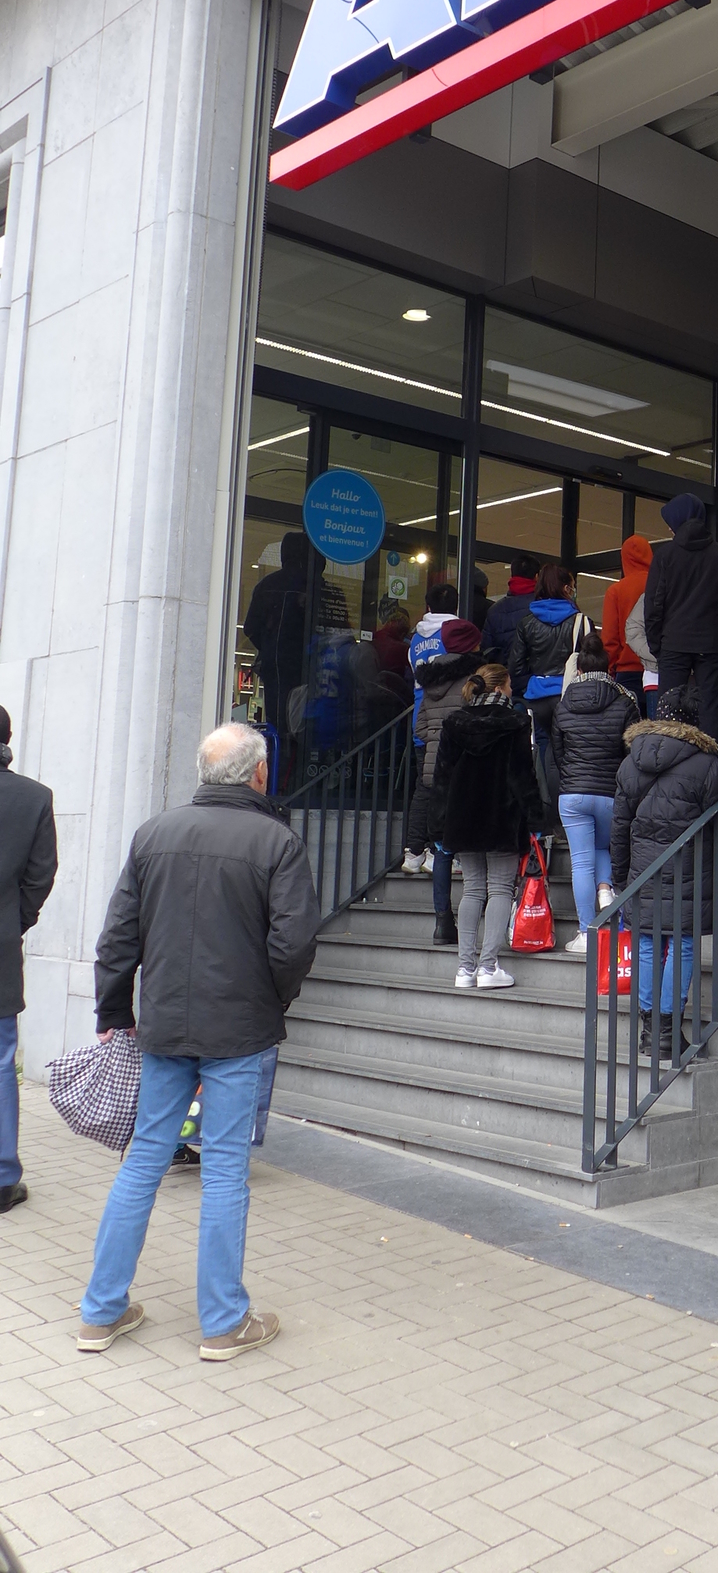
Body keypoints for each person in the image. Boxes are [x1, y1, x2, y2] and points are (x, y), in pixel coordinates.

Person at [80, 724, 320, 1361]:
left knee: (144, 1161)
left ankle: (100, 1312)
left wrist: (113, 1008)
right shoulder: (278, 841)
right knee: (223, 1172)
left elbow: (117, 936)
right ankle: (222, 1321)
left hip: (163, 1023)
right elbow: (293, 945)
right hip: (238, 1030)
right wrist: (273, 1001)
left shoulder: (153, 833)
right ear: (259, 774)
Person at [611, 686, 718, 1059]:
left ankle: (648, 1033)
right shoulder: (706, 764)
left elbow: (619, 826)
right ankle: (667, 1032)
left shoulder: (631, 762)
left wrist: (619, 878)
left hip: (643, 873)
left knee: (647, 943)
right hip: (687, 874)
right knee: (682, 944)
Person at [430, 664, 541, 990]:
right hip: (502, 815)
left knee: (473, 889)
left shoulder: (454, 722)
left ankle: (465, 969)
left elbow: (442, 778)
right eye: (508, 685)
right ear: (503, 687)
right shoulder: (516, 721)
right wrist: (535, 817)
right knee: (500, 889)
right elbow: (523, 777)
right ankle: (488, 967)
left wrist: (437, 824)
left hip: (463, 815)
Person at [0, 707, 57, 1214]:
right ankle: (1, 1177)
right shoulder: (34, 797)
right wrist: (13, 923)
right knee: (0, 1062)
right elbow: (41, 876)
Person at [551, 632, 635, 955]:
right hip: (611, 793)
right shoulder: (625, 700)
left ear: (580, 670)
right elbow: (632, 751)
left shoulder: (563, 704)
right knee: (603, 847)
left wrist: (573, 776)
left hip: (572, 793)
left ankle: (587, 933)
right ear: (609, 667)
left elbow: (557, 755)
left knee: (581, 862)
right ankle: (606, 890)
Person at [642, 494, 718, 747]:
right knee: (711, 714)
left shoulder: (665, 556)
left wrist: (658, 647)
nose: (669, 527)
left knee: (668, 714)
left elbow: (653, 606)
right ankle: (712, 772)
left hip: (673, 643)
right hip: (712, 645)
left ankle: (668, 768)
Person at [411, 618, 484, 943]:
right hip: (465, 771)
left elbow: (420, 729)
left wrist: (438, 737)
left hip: (434, 771)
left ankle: (443, 922)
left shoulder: (430, 682)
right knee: (471, 847)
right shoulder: (474, 680)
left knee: (441, 849)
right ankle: (475, 918)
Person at [507, 563, 591, 807]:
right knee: (569, 753)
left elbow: (516, 667)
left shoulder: (526, 623)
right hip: (570, 695)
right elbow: (591, 660)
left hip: (538, 697)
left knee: (545, 751)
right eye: (572, 586)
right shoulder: (581, 621)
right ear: (566, 588)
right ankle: (568, 812)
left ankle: (547, 811)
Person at [242, 530, 309, 789]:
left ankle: (275, 782)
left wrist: (269, 647)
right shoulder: (312, 585)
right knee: (304, 727)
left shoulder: (267, 585)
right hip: (306, 666)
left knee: (277, 725)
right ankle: (296, 781)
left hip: (275, 666)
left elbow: (250, 627)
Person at [401, 583, 461, 875]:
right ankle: (439, 851)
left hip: (420, 720)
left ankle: (413, 852)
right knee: (447, 789)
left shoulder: (415, 639)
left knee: (423, 788)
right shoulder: (456, 633)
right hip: (447, 721)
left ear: (427, 607)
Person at [602, 534, 653, 717]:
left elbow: (610, 639)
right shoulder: (662, 585)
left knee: (628, 735)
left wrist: (613, 667)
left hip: (627, 672)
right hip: (658, 671)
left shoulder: (615, 591)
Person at [482, 552, 540, 657]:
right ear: (537, 577)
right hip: (533, 670)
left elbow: (487, 649)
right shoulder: (543, 607)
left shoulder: (495, 610)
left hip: (503, 670)